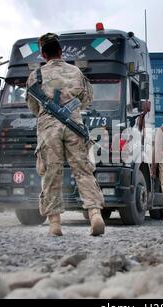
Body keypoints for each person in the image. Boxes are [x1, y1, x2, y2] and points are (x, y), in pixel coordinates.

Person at [26, 33, 105, 236]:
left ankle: (55, 224)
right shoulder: (77, 72)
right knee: (83, 170)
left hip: (48, 129)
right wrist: (70, 110)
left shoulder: (36, 75)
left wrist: (49, 115)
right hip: (74, 126)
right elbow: (87, 99)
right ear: (61, 51)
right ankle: (95, 214)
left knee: (51, 173)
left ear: (44, 54)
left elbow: (33, 106)